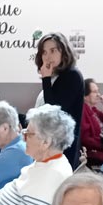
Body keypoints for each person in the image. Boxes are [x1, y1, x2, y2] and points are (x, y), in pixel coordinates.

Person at [34, 33, 85, 168]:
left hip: (63, 143)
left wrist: (45, 79)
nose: (48, 56)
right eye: (44, 52)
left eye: (53, 50)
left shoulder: (72, 75)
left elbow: (53, 108)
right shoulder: (57, 76)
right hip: (52, 139)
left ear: (64, 52)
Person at [80, 79, 103, 167]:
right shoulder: (83, 111)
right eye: (95, 92)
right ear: (85, 96)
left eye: (98, 91)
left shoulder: (92, 109)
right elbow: (86, 139)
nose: (99, 95)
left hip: (101, 147)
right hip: (93, 152)